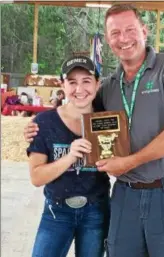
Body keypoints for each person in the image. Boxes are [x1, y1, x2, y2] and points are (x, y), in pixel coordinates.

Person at [24, 4, 164, 257]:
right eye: (115, 33)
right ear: (108, 40)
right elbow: (77, 105)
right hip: (125, 195)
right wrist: (37, 127)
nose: (123, 38)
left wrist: (129, 162)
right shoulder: (109, 86)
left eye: (130, 29)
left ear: (144, 30)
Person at [26, 55, 110, 257]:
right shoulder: (45, 122)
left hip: (96, 211)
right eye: (72, 82)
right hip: (57, 211)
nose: (79, 90)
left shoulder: (107, 120)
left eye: (86, 81)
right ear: (62, 85)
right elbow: (36, 178)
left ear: (97, 84)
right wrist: (70, 156)